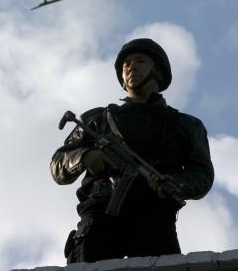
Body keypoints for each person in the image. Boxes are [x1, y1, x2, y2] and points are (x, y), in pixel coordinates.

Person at [50, 38, 214, 263]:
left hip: (155, 217)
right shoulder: (98, 120)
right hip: (100, 216)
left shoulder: (184, 125)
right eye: (126, 63)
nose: (131, 66)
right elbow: (59, 164)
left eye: (140, 60)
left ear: (158, 71)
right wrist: (86, 157)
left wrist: (174, 183)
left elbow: (202, 175)